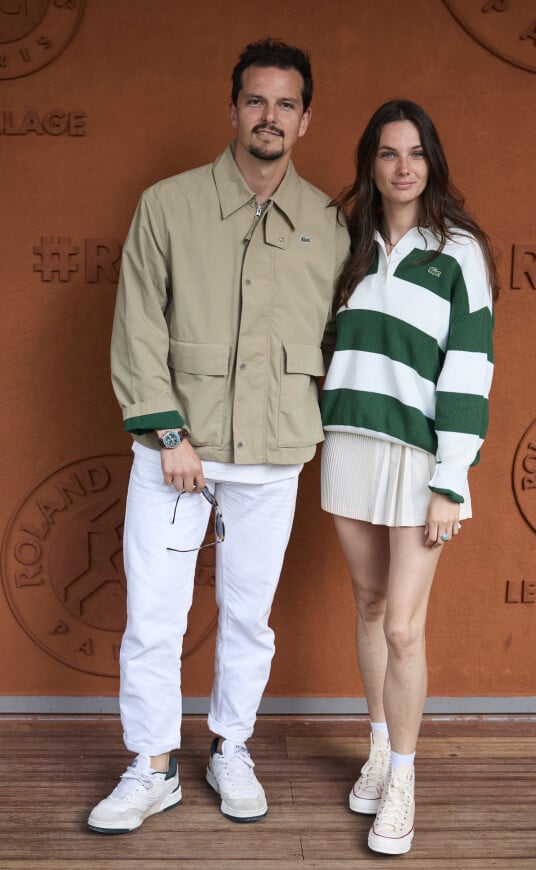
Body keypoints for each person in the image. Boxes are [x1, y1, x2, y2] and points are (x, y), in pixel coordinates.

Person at [87, 38, 348, 834]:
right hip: (176, 454)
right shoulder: (168, 205)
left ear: (305, 120)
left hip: (273, 457)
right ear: (232, 109)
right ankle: (153, 764)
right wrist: (169, 435)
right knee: (156, 617)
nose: (270, 117)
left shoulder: (330, 224)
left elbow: (341, 339)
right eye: (257, 101)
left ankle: (231, 747)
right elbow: (137, 329)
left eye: (287, 104)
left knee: (248, 617)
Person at [320, 99, 497, 855]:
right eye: (389, 153)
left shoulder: (458, 250)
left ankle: (403, 779)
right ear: (370, 162)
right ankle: (378, 748)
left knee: (402, 625)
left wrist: (451, 479)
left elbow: (471, 368)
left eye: (416, 153)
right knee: (366, 605)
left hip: (421, 455)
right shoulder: (341, 243)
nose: (402, 167)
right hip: (348, 443)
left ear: (433, 162)